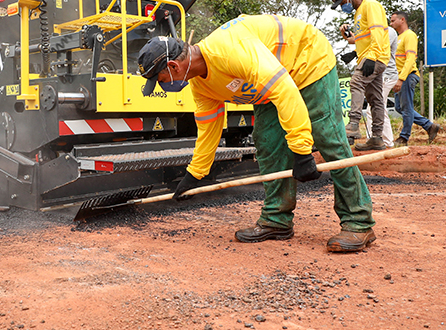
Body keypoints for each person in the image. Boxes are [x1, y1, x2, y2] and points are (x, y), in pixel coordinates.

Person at [136, 15, 377, 253]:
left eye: (160, 79)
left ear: (173, 66)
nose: (162, 86)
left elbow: (284, 92)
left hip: (306, 60)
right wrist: (195, 174)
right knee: (267, 142)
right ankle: (277, 220)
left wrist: (302, 152)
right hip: (271, 80)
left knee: (328, 137)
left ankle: (358, 221)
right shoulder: (201, 84)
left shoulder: (230, 51)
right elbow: (209, 127)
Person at [333, 0, 390, 151]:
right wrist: (351, 43)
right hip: (367, 57)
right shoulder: (358, 12)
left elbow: (378, 33)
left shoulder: (371, 5)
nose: (343, 6)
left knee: (356, 83)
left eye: (343, 2)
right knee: (375, 99)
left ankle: (353, 124)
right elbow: (362, 38)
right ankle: (377, 138)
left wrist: (371, 58)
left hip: (375, 57)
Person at [391, 12, 440, 147]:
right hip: (400, 76)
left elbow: (410, 58)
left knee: (406, 108)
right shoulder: (398, 37)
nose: (391, 23)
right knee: (399, 107)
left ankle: (404, 137)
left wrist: (401, 79)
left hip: (407, 76)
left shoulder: (409, 35)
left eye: (393, 20)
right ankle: (429, 126)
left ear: (402, 20)